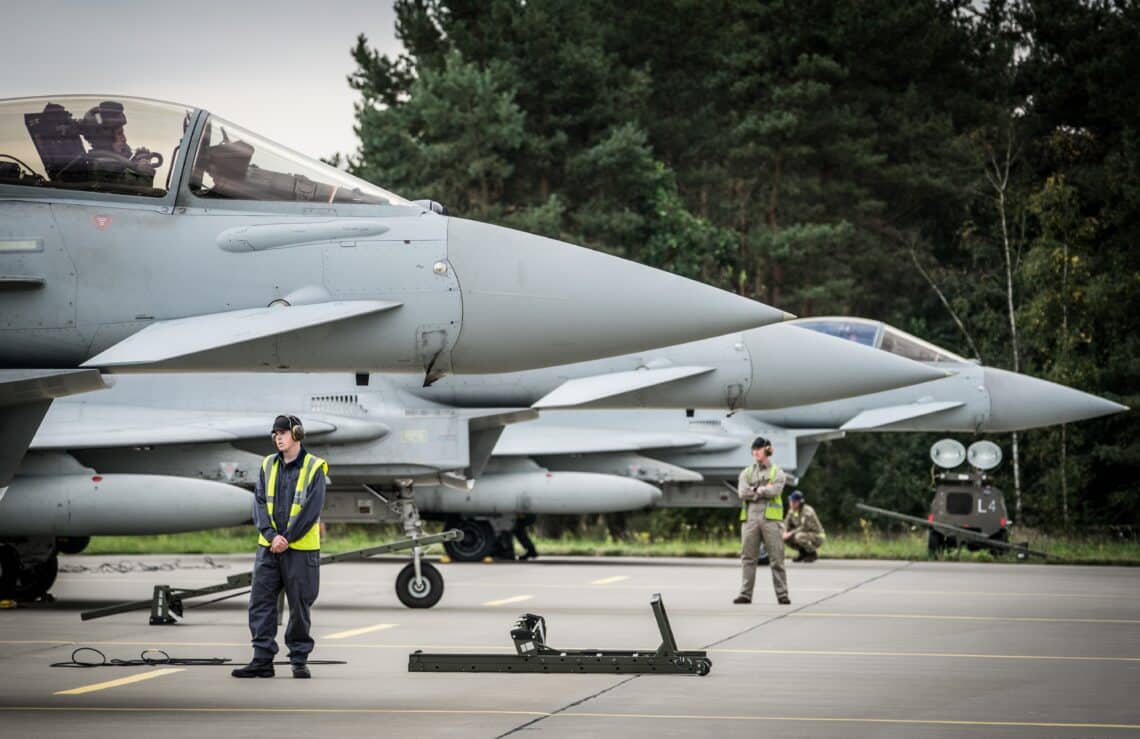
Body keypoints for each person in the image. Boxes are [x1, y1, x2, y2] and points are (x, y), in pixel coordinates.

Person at [232, 415, 328, 679]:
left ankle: (299, 660)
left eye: (283, 432)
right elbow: (260, 503)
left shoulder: (314, 467)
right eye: (275, 433)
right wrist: (272, 535)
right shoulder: (267, 465)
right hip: (269, 549)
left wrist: (287, 538)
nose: (278, 437)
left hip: (300, 550)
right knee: (260, 603)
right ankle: (262, 660)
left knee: (300, 605)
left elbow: (311, 508)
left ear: (297, 434)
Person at [734, 437, 790, 605]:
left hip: (771, 520)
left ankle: (782, 595)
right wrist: (763, 489)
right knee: (748, 558)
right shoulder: (746, 472)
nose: (756, 451)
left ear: (767, 450)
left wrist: (756, 490)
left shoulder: (777, 472)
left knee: (776, 558)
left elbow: (776, 491)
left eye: (759, 448)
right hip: (750, 519)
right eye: (754, 449)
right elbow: (742, 492)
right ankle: (745, 594)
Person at [783, 491, 825, 563]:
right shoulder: (792, 511)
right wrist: (784, 532)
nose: (791, 503)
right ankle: (803, 553)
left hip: (817, 535)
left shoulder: (807, 511)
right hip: (804, 533)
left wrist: (790, 533)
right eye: (790, 501)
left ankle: (812, 554)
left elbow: (805, 527)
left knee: (799, 537)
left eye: (793, 501)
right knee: (787, 538)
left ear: (799, 502)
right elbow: (786, 523)